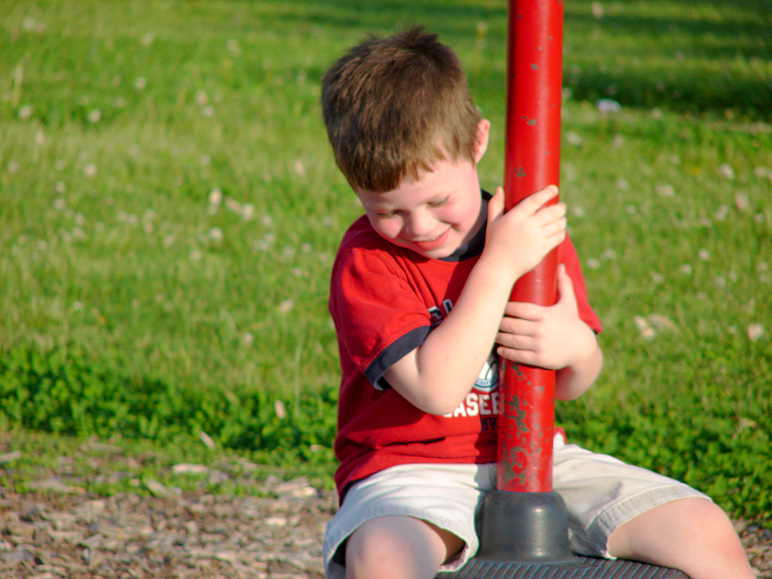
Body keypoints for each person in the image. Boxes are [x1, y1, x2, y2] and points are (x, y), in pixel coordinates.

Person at [319, 26, 754, 579]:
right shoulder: (370, 262)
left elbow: (572, 381)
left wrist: (573, 347)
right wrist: (498, 265)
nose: (419, 227)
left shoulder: (531, 231)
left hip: (538, 462)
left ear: (477, 142)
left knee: (705, 530)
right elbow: (437, 387)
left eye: (437, 200)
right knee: (383, 558)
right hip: (409, 472)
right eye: (388, 211)